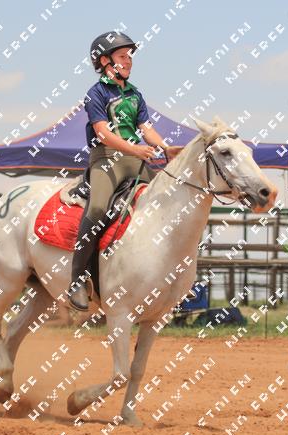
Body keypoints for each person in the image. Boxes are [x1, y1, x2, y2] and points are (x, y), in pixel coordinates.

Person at [67, 31, 183, 311]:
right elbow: (102, 133)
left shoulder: (135, 94)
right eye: (122, 56)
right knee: (97, 209)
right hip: (106, 159)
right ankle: (77, 280)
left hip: (135, 160)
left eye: (130, 56)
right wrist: (135, 150)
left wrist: (165, 148)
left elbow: (146, 129)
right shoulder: (96, 93)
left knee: (168, 204)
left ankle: (174, 277)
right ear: (104, 61)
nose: (128, 60)